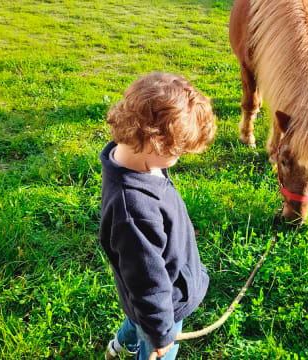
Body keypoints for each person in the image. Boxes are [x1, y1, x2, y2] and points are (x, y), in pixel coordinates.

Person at [99, 72, 216, 360]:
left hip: (147, 305)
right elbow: (148, 283)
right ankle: (145, 343)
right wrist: (162, 334)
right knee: (148, 328)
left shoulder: (133, 158)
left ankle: (120, 345)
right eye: (178, 152)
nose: (179, 159)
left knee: (137, 319)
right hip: (164, 308)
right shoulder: (134, 211)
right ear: (156, 142)